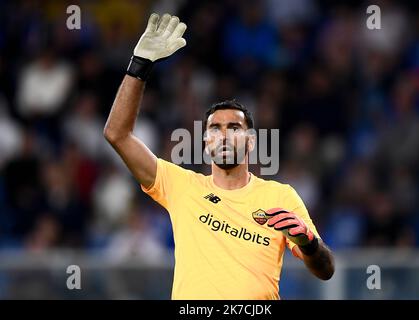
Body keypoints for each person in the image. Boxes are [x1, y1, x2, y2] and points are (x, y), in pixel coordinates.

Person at [103, 13, 334, 300]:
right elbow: (117, 135)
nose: (223, 135)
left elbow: (325, 270)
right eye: (215, 128)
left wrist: (308, 241)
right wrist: (139, 66)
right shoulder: (181, 186)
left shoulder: (280, 197)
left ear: (250, 142)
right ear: (205, 142)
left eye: (234, 127)